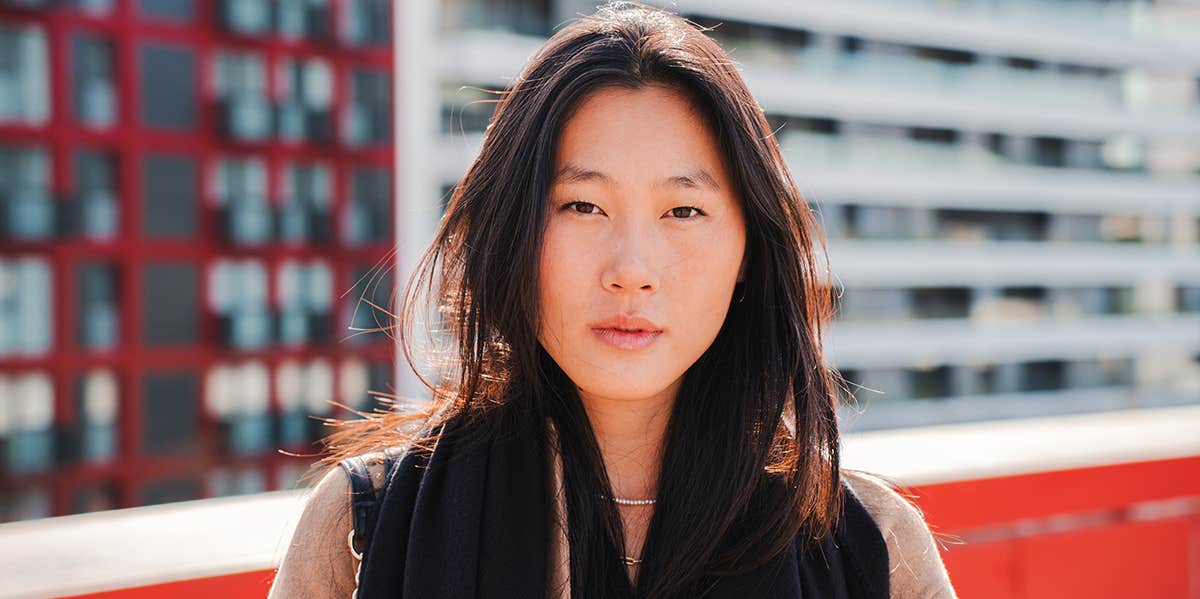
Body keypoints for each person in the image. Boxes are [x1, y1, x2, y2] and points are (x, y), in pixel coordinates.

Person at [268, 2, 958, 597]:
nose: (632, 270)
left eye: (683, 211)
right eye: (583, 205)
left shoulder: (871, 547)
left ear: (749, 249)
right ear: (516, 233)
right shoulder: (367, 526)